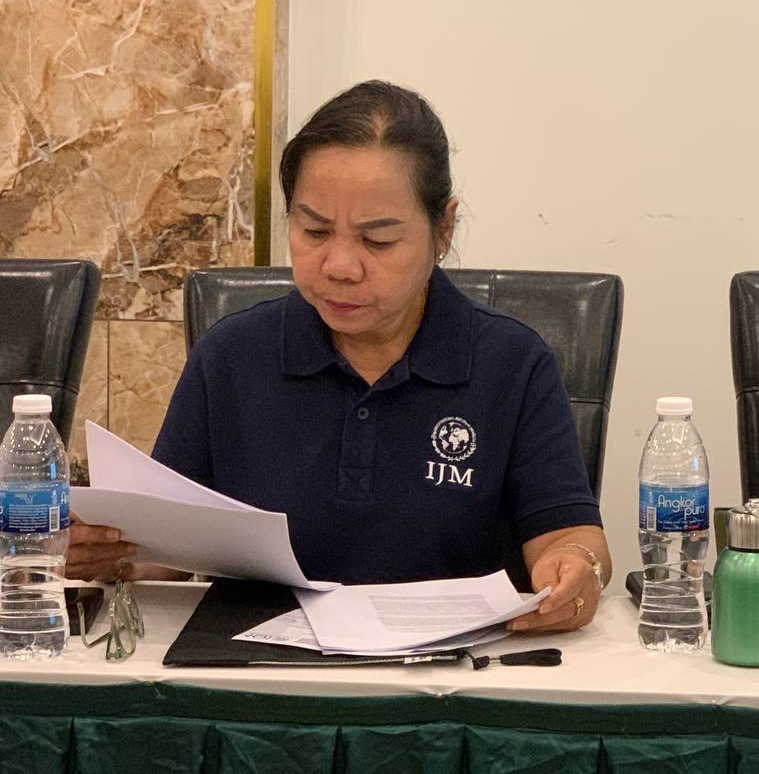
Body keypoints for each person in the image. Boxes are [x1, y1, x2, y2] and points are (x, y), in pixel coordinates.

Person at [68, 80, 611, 632]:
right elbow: (165, 553)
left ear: (442, 229)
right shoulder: (231, 356)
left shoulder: (512, 363)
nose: (340, 266)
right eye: (314, 230)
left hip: (453, 668)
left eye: (378, 240)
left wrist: (576, 568)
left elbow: (569, 536)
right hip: (254, 667)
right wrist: (114, 554)